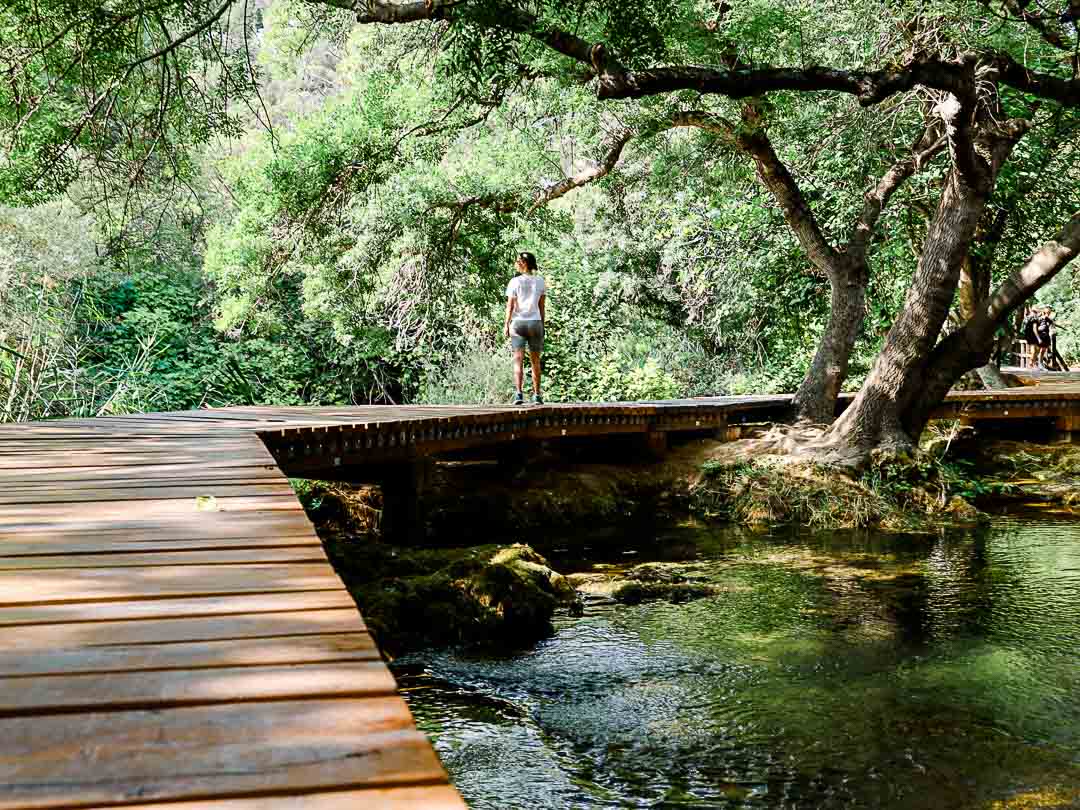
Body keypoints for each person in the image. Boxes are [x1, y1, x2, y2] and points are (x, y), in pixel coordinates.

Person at [504, 251, 546, 405]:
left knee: (518, 360)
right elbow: (542, 307)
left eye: (518, 261)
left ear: (523, 263)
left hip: (518, 323)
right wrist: (542, 324)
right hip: (535, 322)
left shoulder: (514, 282)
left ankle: (519, 394)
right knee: (535, 361)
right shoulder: (540, 281)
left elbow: (510, 306)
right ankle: (536, 395)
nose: (516, 263)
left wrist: (506, 324)